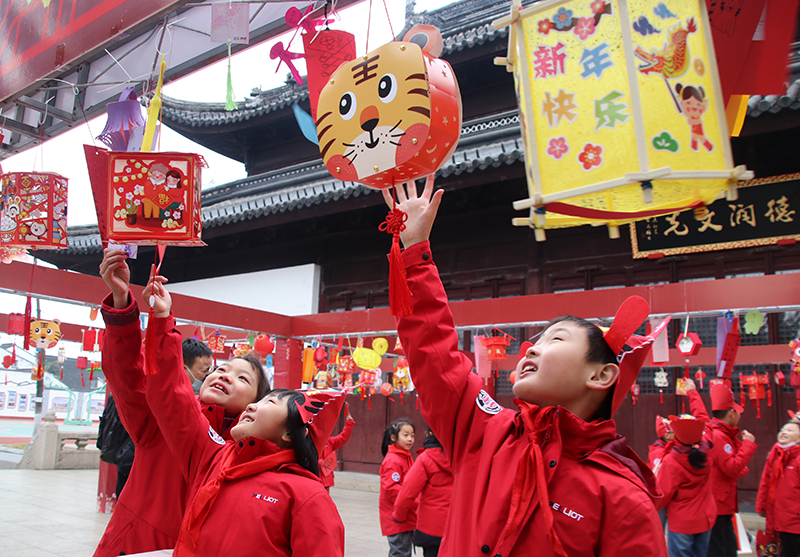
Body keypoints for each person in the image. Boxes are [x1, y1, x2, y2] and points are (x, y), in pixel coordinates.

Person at [383, 176, 667, 556]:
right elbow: (435, 355)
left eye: (556, 339)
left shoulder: (620, 496)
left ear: (601, 375)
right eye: (536, 340)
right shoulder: (484, 432)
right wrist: (415, 251)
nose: (531, 348)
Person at [142, 270, 344, 556]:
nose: (253, 406)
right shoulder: (213, 456)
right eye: (222, 370)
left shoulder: (306, 495)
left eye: (267, 403)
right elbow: (175, 399)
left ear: (290, 432)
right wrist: (162, 321)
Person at [93, 248, 270, 557]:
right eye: (221, 369)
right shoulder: (159, 421)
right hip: (135, 546)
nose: (225, 376)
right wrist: (122, 305)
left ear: (256, 403)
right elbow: (128, 378)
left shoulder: (253, 456)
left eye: (243, 379)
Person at [699, 381, 757, 557]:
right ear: (732, 413)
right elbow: (732, 467)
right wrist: (748, 445)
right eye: (737, 412)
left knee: (727, 546)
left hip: (722, 502)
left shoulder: (722, 434)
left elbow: (735, 467)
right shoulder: (719, 436)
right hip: (718, 503)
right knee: (719, 548)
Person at [656, 414, 716, 557]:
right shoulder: (708, 451)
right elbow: (709, 427)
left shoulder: (671, 460)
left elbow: (663, 493)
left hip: (682, 522)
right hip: (706, 517)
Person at [393, 429, 454, 557]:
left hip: (432, 528)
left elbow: (407, 492)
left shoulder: (426, 458)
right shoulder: (467, 457)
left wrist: (399, 515)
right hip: (459, 527)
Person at [756, 420, 800, 557]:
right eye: (782, 429)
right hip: (782, 519)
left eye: (791, 430)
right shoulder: (778, 453)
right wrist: (762, 505)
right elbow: (767, 482)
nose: (784, 432)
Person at [380, 418, 416, 557]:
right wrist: (415, 501)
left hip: (405, 513)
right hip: (396, 516)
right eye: (405, 435)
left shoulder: (406, 457)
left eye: (412, 435)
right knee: (400, 552)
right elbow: (392, 489)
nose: (410, 439)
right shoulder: (393, 460)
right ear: (394, 438)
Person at [318, 403, 356, 491]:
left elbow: (342, 438)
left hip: (326, 478)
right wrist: (320, 463)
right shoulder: (310, 441)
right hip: (314, 477)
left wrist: (349, 424)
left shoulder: (330, 441)